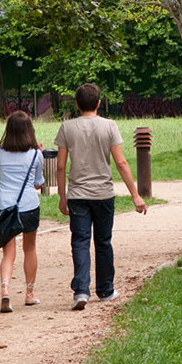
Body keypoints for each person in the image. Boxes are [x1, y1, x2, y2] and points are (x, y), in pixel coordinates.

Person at [55, 83, 147, 310]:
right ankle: (105, 290)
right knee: (103, 242)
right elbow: (121, 162)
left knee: (80, 241)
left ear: (76, 104)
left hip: (77, 195)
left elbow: (59, 166)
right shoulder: (109, 126)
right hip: (104, 194)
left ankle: (81, 291)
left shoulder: (67, 127)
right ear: (98, 103)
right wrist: (135, 195)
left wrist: (62, 196)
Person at [0, 111, 45, 313]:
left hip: (3, 206)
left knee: (8, 253)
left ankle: (5, 291)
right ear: (29, 131)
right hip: (28, 206)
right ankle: (30, 294)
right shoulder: (35, 155)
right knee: (29, 249)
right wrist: (39, 152)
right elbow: (38, 183)